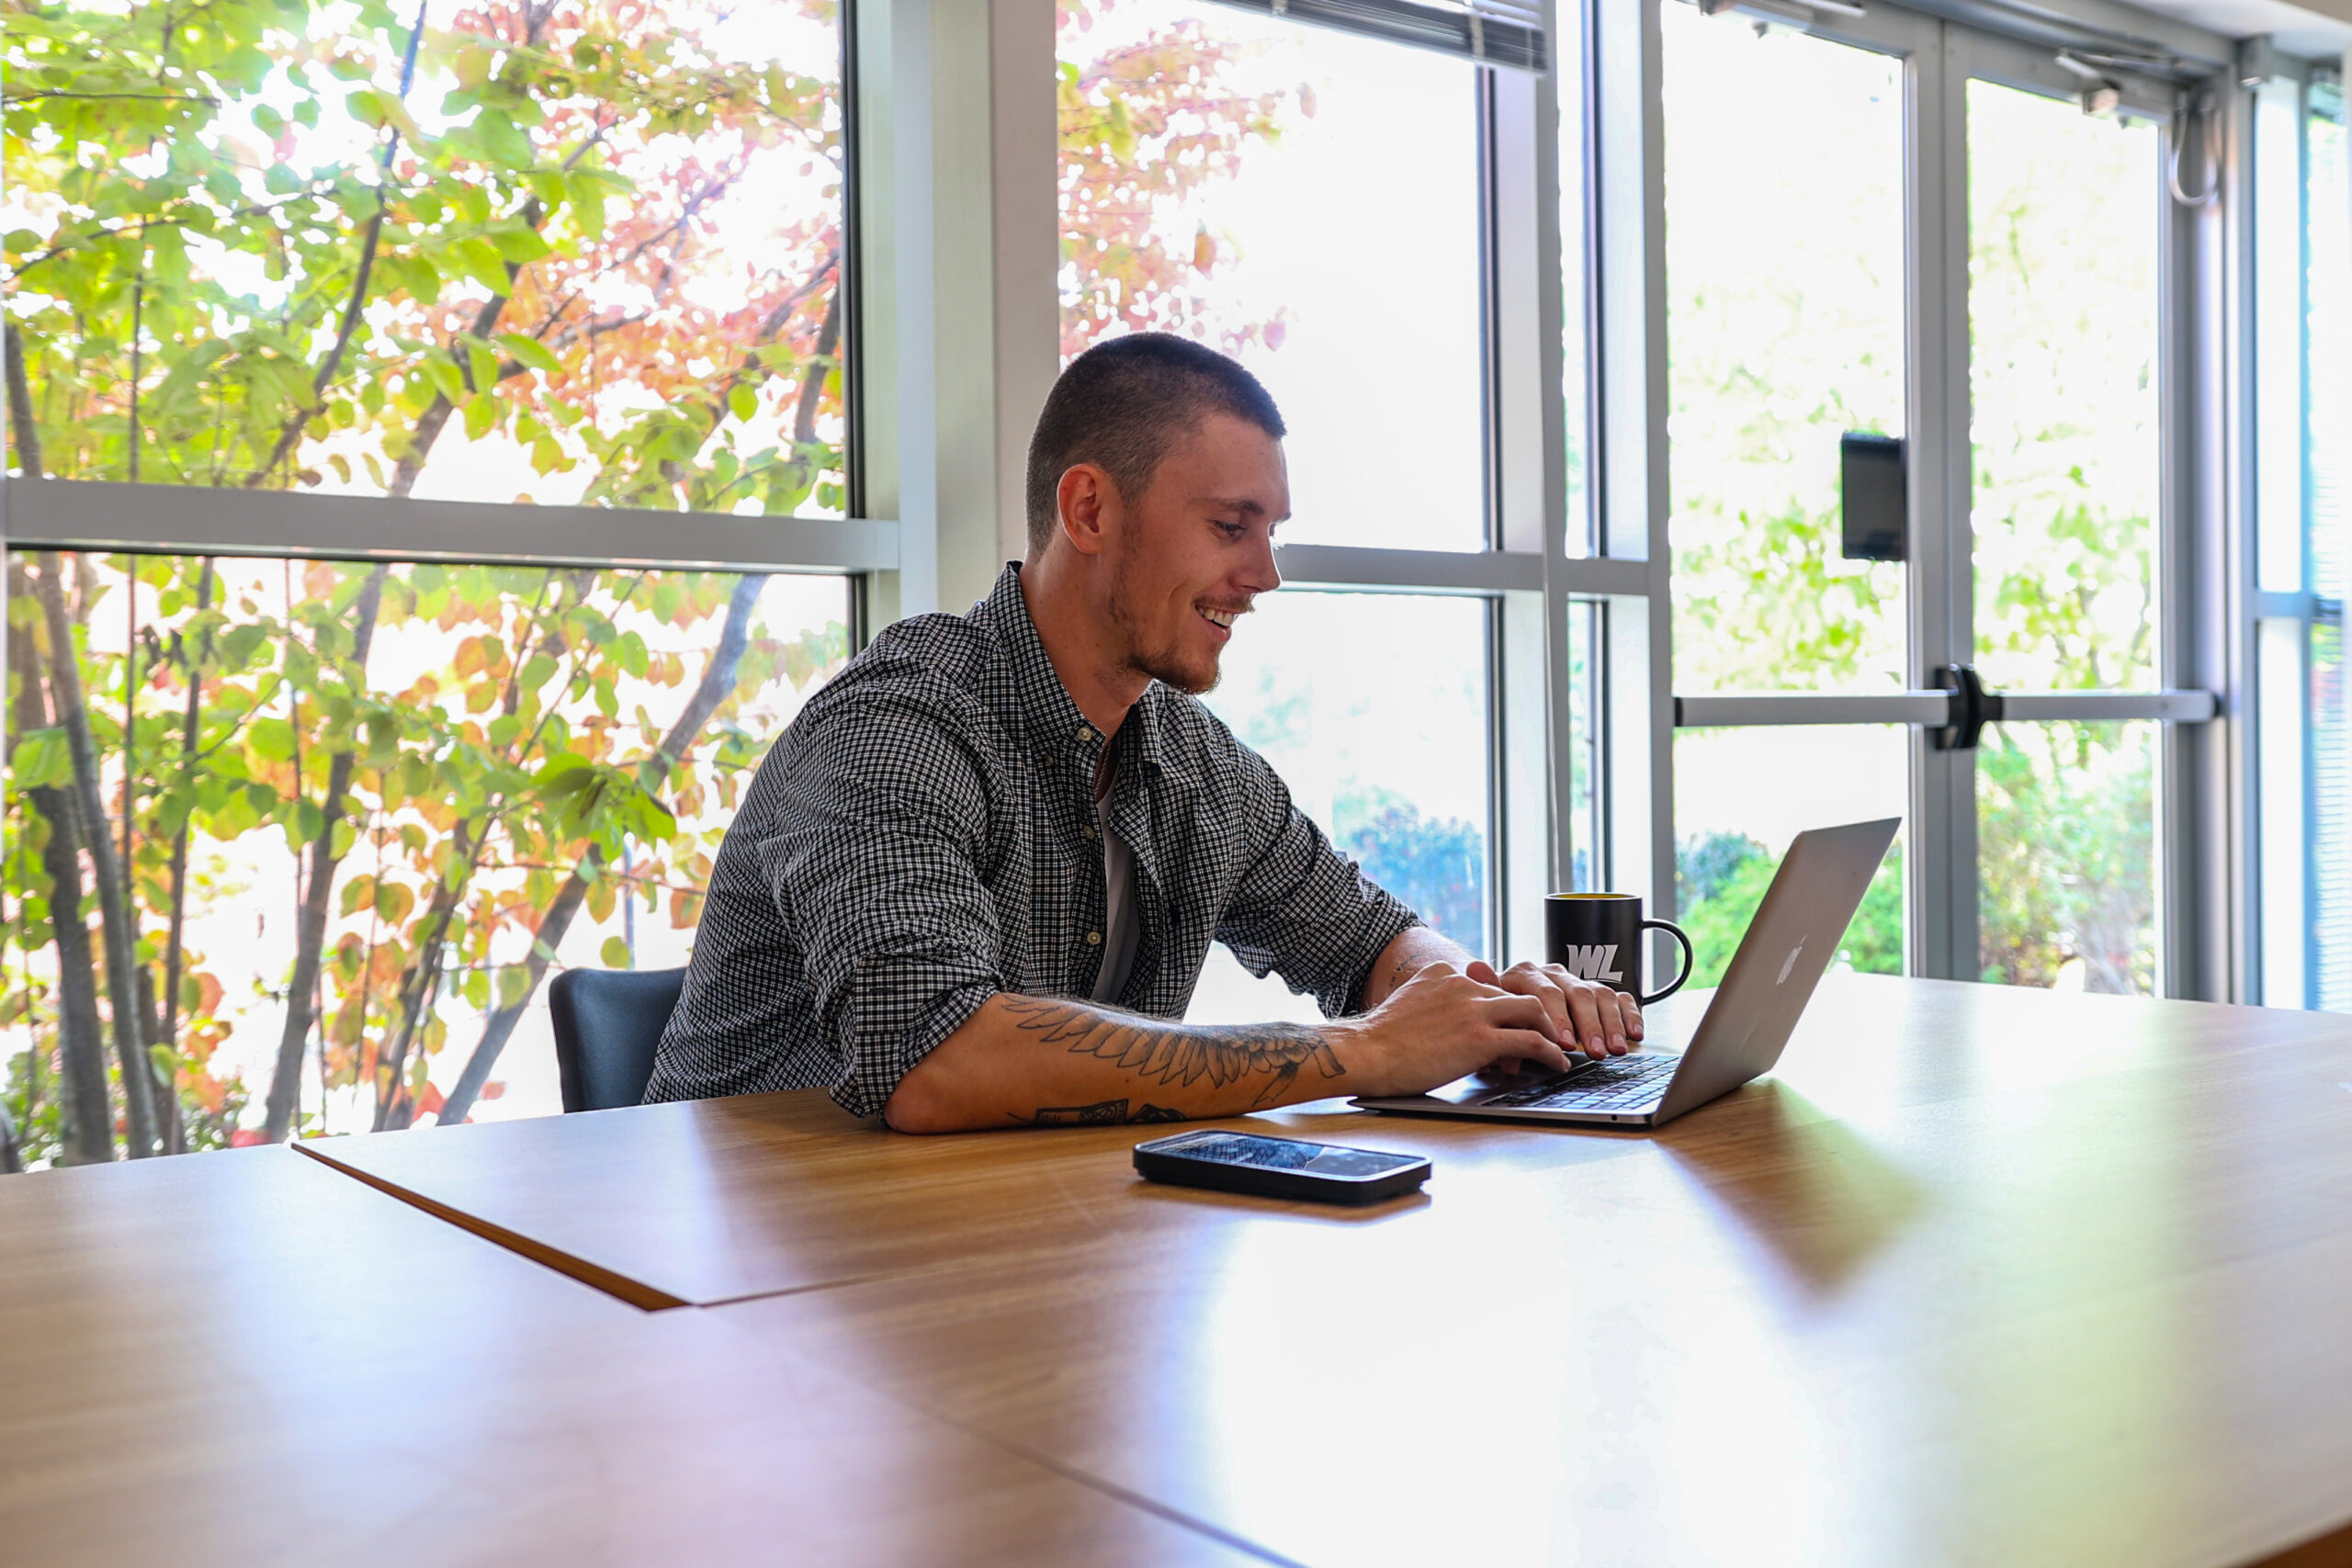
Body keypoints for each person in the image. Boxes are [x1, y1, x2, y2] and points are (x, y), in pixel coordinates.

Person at [642, 333, 1643, 1132]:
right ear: (1088, 509)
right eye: (1229, 527)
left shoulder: (1190, 761)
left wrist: (1475, 1003)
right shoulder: (896, 729)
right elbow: (933, 1064)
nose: (1265, 574)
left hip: (1008, 1252)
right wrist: (1370, 1052)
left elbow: (1371, 939)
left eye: (1271, 532)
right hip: (730, 1288)